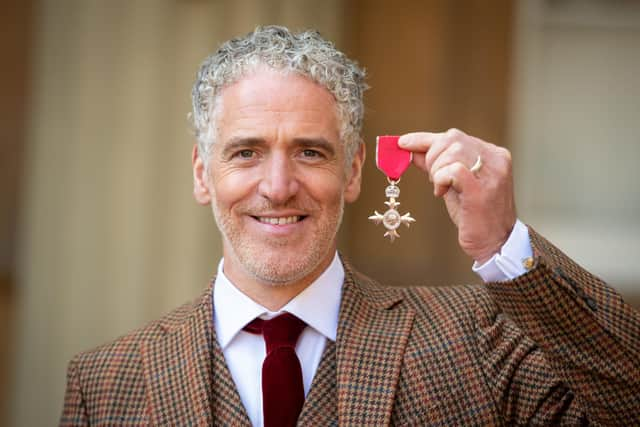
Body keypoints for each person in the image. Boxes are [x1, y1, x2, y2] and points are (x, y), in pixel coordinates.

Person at [60, 25, 639, 426]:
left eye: (310, 152)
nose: (279, 186)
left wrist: (503, 245)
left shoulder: (475, 341)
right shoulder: (106, 381)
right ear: (202, 173)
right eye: (246, 153)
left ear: (355, 169)